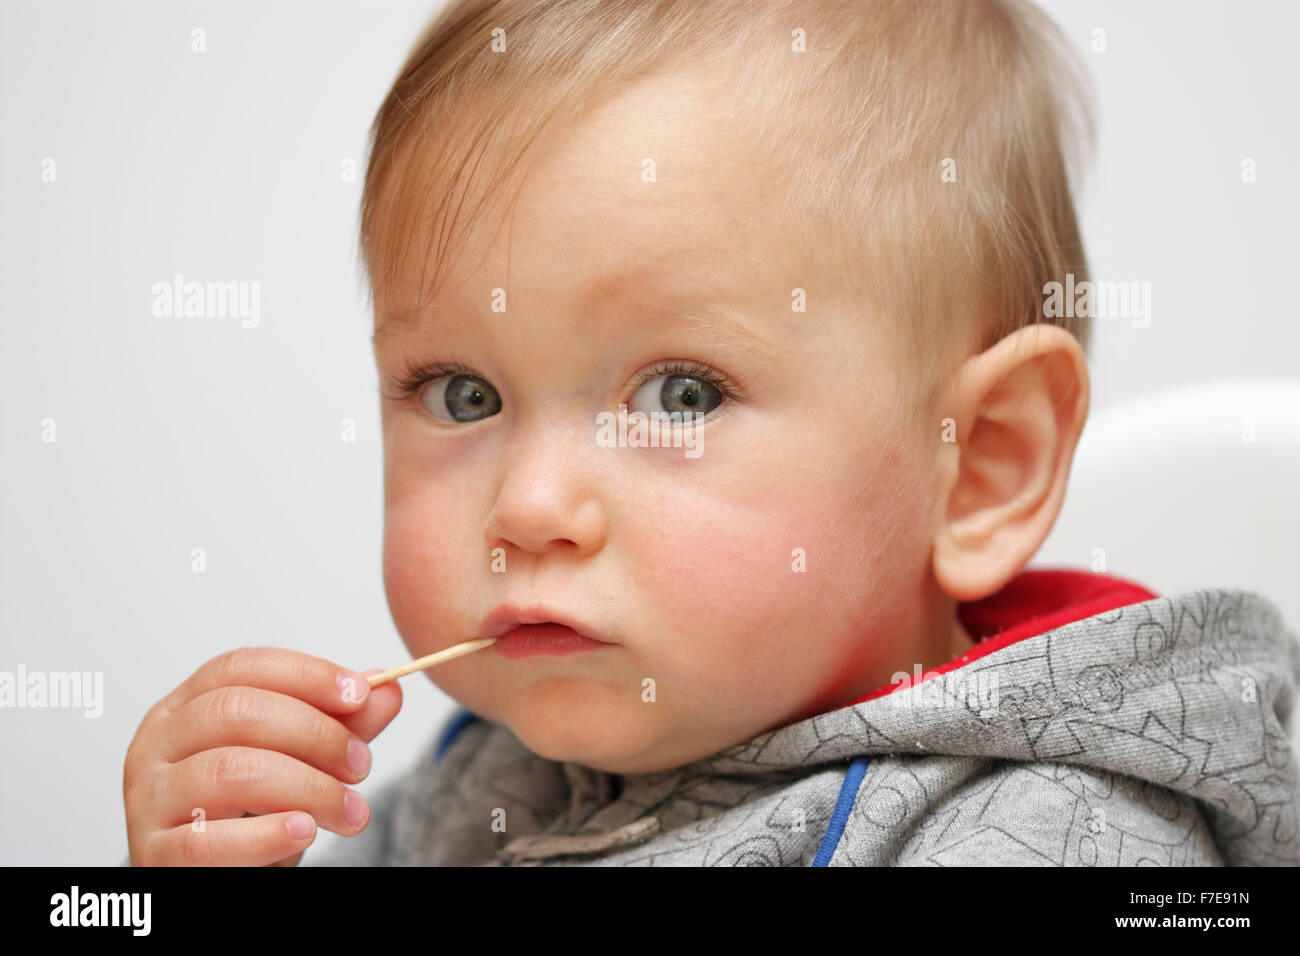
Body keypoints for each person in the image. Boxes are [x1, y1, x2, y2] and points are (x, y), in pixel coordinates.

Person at [122, 0, 1300, 866]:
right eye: (462, 394)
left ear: (979, 462)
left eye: (681, 395)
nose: (527, 509)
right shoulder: (475, 775)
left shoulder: (1054, 836)